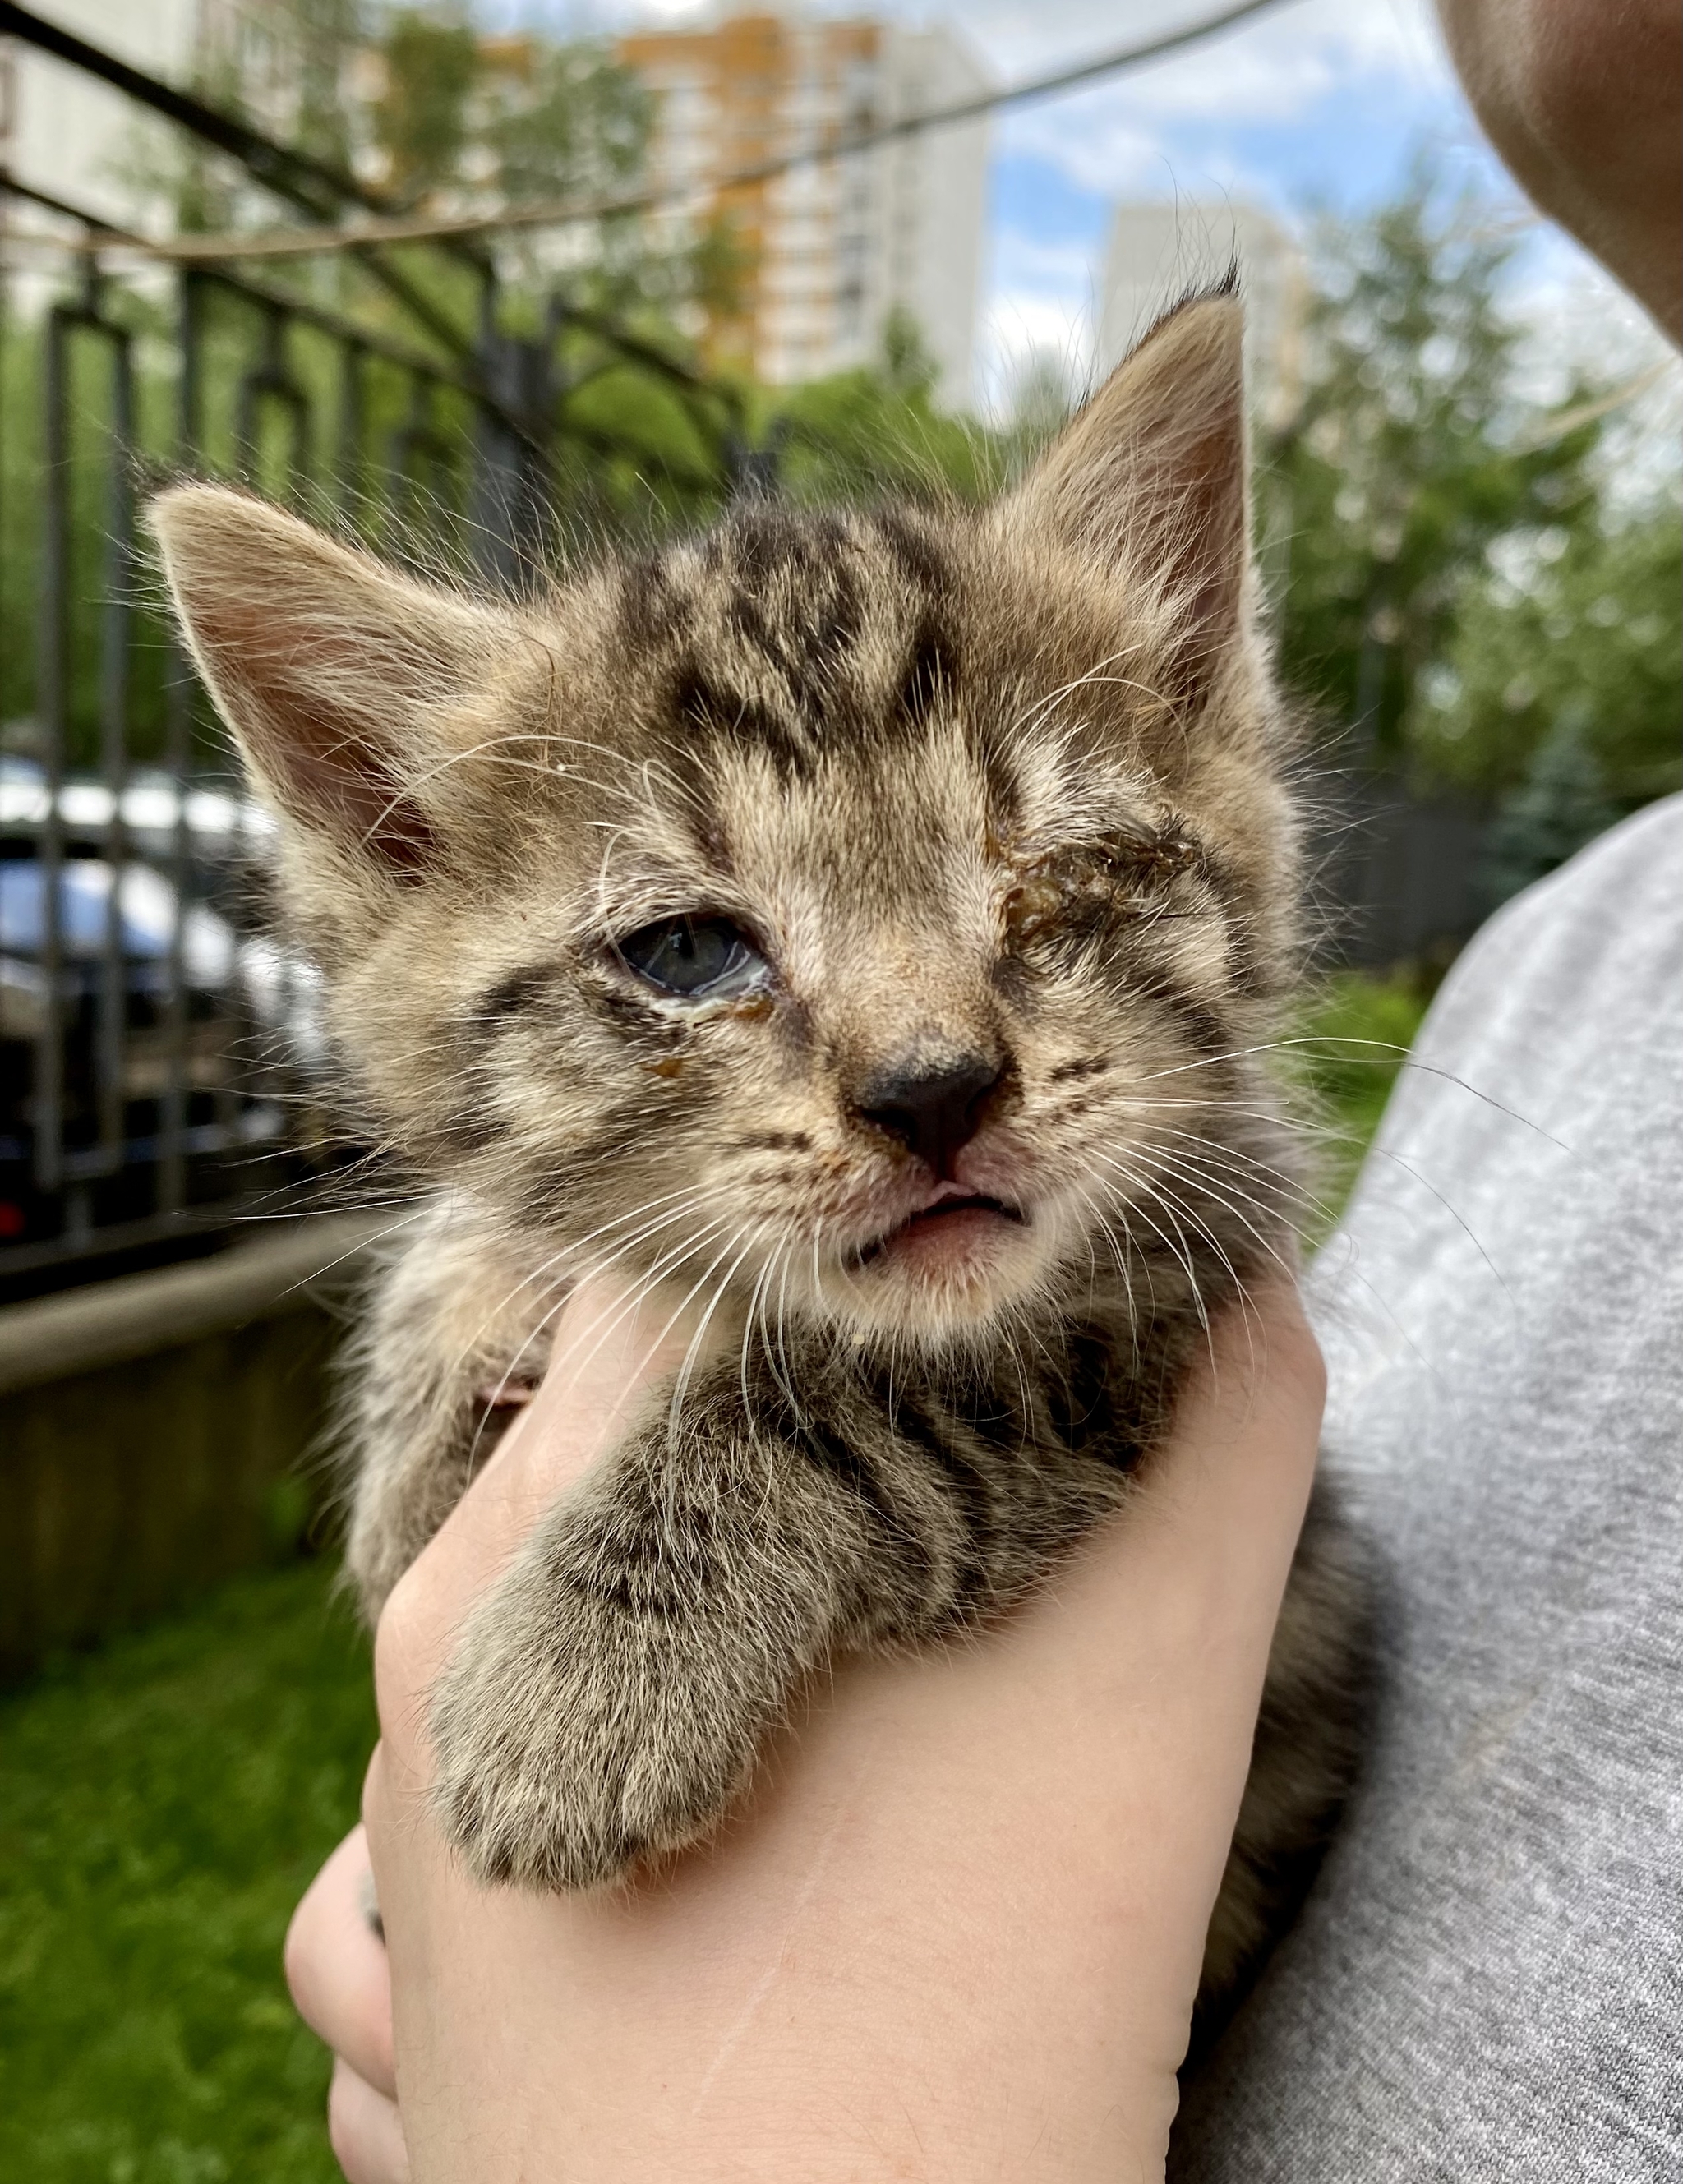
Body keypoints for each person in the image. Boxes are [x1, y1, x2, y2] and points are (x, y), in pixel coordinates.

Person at [284, 2, 1682, 2174]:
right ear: (382, 848)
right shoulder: (1569, 978)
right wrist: (466, 1290)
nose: (932, 1056)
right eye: (683, 945)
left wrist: (741, 1506)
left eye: (1055, 877)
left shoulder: (1184, 1191)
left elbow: (1159, 1347)